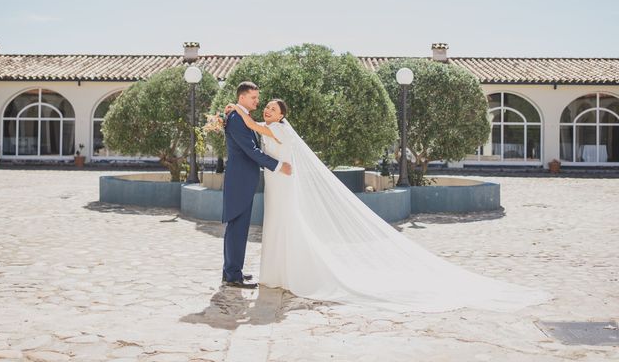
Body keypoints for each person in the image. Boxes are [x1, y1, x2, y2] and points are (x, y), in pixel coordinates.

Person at [227, 99, 551, 313]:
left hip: (283, 182)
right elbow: (256, 131)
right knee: (281, 223)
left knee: (287, 223)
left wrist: (235, 110)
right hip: (278, 183)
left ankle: (289, 273)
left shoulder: (276, 128)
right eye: (266, 107)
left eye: (271, 107)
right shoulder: (276, 128)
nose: (267, 110)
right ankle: (280, 273)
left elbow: (253, 127)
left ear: (282, 115)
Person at [222, 82, 291, 290]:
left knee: (238, 227)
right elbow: (252, 151)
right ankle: (233, 275)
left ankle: (231, 271)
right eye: (254, 98)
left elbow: (255, 129)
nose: (258, 102)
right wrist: (278, 166)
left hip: (242, 179)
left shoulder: (241, 117)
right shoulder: (236, 119)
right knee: (237, 227)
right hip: (239, 180)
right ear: (242, 98)